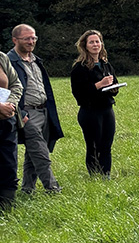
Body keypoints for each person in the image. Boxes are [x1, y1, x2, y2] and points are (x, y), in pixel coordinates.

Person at [8, 24, 64, 194]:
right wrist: (21, 113)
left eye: (34, 38)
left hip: (44, 110)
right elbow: (8, 89)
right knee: (40, 152)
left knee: (33, 153)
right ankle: (52, 188)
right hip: (27, 112)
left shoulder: (36, 60)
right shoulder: (9, 62)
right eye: (27, 38)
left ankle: (27, 188)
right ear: (15, 40)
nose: (31, 42)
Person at [70, 30, 119, 176]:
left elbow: (113, 83)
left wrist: (114, 88)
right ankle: (94, 175)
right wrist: (99, 85)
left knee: (106, 145)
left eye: (97, 41)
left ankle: (106, 175)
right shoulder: (79, 67)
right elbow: (79, 93)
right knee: (94, 146)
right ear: (85, 46)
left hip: (107, 109)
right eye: (91, 42)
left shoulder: (105, 64)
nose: (95, 45)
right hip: (90, 112)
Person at [0, 50, 24, 210]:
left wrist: (11, 105)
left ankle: (7, 208)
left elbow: (16, 85)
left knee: (8, 164)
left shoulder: (1, 57)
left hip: (6, 122)